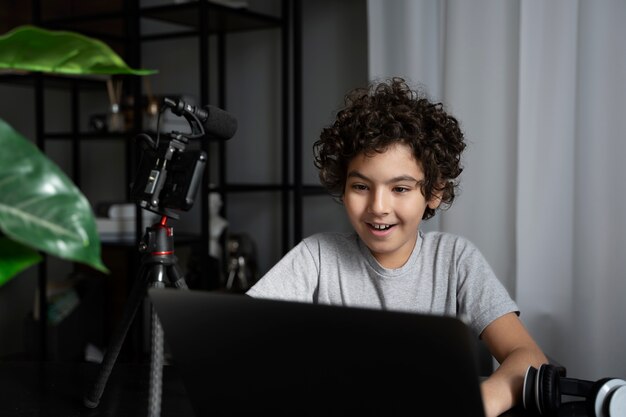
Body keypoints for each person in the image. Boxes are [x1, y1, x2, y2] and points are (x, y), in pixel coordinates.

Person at [246, 77, 547, 417]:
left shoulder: (455, 261)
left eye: (400, 189)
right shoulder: (316, 257)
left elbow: (529, 356)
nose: (378, 206)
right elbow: (241, 336)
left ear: (433, 192)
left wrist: (486, 398)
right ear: (342, 188)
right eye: (361, 186)